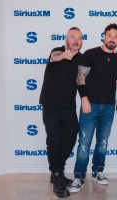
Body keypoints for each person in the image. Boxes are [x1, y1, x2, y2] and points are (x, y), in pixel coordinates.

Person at [69, 23, 117, 193]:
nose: (112, 39)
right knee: (84, 143)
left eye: (116, 37)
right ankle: (79, 176)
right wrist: (84, 99)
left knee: (103, 143)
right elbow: (80, 78)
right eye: (109, 35)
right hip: (89, 106)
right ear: (104, 36)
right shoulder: (90, 54)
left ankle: (98, 171)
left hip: (108, 107)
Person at [39, 27, 83, 198]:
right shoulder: (57, 52)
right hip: (51, 105)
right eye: (72, 37)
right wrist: (64, 56)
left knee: (70, 138)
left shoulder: (81, 58)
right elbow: (54, 57)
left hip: (68, 107)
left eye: (79, 38)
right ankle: (57, 177)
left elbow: (86, 76)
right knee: (54, 140)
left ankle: (57, 170)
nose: (76, 40)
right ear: (66, 39)